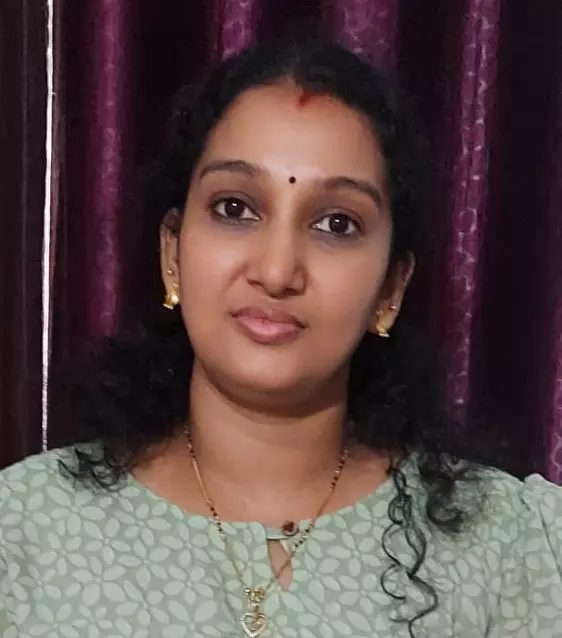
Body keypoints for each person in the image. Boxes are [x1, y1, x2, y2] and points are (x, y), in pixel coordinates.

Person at [1, 37, 561, 638]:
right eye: (235, 208)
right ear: (172, 254)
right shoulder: (24, 532)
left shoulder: (516, 549)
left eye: (336, 223)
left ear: (390, 288)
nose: (276, 271)